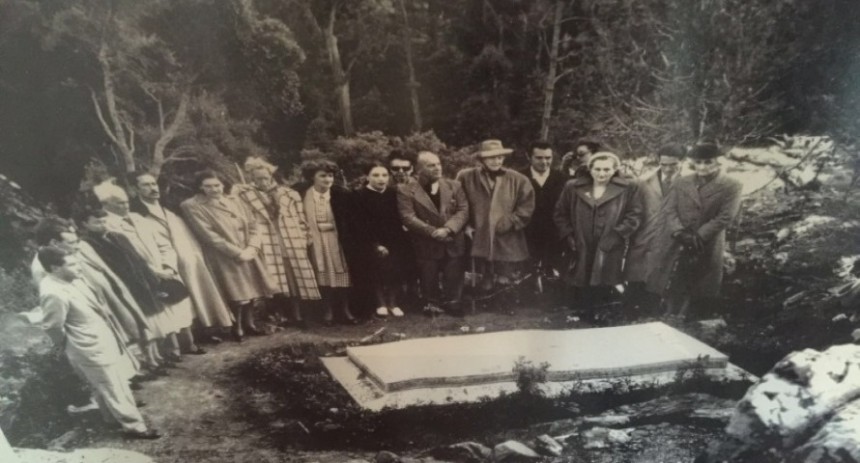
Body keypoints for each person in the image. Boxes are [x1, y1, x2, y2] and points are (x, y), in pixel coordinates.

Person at [38, 246, 160, 439]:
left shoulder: (70, 278)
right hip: (87, 346)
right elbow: (53, 326)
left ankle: (110, 419)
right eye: (71, 264)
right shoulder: (53, 293)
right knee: (112, 385)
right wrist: (67, 345)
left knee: (104, 383)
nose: (78, 267)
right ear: (54, 268)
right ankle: (136, 427)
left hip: (99, 338)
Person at [129, 171, 232, 347]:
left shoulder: (170, 208)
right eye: (145, 185)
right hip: (167, 263)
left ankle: (206, 329)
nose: (152, 188)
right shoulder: (137, 214)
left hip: (188, 257)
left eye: (153, 184)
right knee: (179, 300)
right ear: (135, 189)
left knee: (199, 293)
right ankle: (186, 340)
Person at [95, 182, 195, 362]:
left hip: (165, 270)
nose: (125, 206)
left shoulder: (139, 219)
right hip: (144, 275)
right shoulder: (109, 226)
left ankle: (187, 343)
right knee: (158, 312)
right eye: (119, 203)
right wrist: (155, 272)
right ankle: (170, 350)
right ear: (106, 205)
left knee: (177, 304)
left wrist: (168, 266)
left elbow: (164, 244)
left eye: (126, 202)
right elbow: (130, 258)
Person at [646, 143, 743, 319]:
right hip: (679, 239)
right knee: (672, 276)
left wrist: (699, 236)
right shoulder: (682, 182)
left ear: (718, 162)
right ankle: (669, 315)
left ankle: (696, 320)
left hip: (707, 240)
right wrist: (679, 232)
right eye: (699, 162)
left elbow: (726, 216)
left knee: (703, 281)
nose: (703, 167)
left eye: (708, 162)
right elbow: (669, 209)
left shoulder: (731, 185)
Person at [180, 170, 276, 341]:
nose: (214, 189)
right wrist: (237, 253)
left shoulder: (235, 200)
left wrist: (252, 247)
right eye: (208, 186)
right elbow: (207, 234)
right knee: (237, 293)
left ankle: (250, 324)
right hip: (224, 254)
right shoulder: (192, 205)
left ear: (223, 185)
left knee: (252, 289)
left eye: (217, 185)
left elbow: (254, 224)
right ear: (201, 188)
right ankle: (236, 327)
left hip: (248, 250)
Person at [553, 152, 642, 323]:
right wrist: (569, 235)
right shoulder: (573, 187)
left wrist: (617, 235)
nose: (602, 174)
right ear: (590, 169)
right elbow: (560, 213)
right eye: (598, 169)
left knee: (604, 277)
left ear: (615, 169)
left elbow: (634, 215)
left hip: (609, 243)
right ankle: (582, 313)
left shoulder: (627, 189)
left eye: (607, 169)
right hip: (581, 242)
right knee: (581, 275)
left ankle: (603, 314)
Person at [235, 157, 321, 328]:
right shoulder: (245, 195)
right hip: (266, 240)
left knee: (295, 277)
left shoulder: (289, 193)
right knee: (275, 279)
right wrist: (236, 189)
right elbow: (240, 213)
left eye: (265, 177)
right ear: (252, 178)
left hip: (291, 238)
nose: (263, 181)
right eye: (258, 178)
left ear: (271, 175)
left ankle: (298, 315)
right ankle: (280, 315)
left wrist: (304, 238)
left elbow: (301, 219)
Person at [456, 139, 535, 294]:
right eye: (491, 157)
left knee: (505, 274)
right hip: (477, 233)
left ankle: (504, 300)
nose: (496, 161)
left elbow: (526, 206)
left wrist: (511, 222)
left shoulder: (518, 179)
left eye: (500, 157)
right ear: (482, 159)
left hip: (507, 233)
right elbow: (457, 203)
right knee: (481, 273)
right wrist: (465, 225)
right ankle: (482, 298)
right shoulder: (466, 177)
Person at [398, 151, 470, 316]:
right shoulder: (406, 190)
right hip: (426, 241)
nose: (437, 168)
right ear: (419, 169)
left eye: (438, 164)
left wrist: (448, 229)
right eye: (431, 165)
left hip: (452, 238)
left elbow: (463, 210)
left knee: (454, 271)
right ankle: (432, 304)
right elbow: (407, 217)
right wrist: (432, 232)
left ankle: (453, 302)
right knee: (428, 274)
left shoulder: (454, 186)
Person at [294, 160, 359, 325]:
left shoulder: (341, 194)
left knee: (343, 273)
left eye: (330, 176)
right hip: (314, 240)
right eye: (322, 176)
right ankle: (327, 311)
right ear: (312, 178)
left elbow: (351, 220)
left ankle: (345, 310)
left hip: (337, 240)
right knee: (322, 274)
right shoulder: (302, 194)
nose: (327, 179)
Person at [624, 144, 686, 314]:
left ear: (682, 162)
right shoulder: (644, 182)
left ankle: (654, 312)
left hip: (671, 235)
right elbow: (634, 209)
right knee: (637, 273)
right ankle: (630, 312)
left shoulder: (688, 182)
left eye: (673, 164)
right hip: (645, 233)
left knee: (661, 275)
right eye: (664, 164)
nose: (667, 168)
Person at [354, 163, 411, 317]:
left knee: (396, 271)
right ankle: (380, 303)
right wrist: (376, 245)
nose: (381, 179)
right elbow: (360, 223)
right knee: (376, 271)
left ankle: (393, 303)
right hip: (371, 240)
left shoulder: (394, 194)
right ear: (367, 177)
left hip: (395, 238)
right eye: (376, 175)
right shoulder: (359, 195)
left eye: (384, 175)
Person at [518, 141, 567, 283]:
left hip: (554, 235)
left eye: (548, 158)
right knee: (526, 274)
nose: (544, 162)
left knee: (553, 276)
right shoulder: (519, 177)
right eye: (539, 158)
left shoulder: (563, 179)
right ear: (529, 157)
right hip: (526, 234)